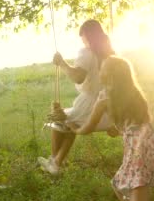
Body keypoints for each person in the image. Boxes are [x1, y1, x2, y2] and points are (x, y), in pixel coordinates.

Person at [68, 56, 154, 201]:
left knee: (135, 191)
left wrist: (75, 129)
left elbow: (88, 127)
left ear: (109, 75)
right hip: (151, 143)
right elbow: (138, 121)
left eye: (102, 69)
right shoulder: (134, 93)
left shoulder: (104, 98)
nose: (99, 71)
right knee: (119, 185)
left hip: (137, 148)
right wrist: (117, 130)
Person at [37, 19, 115, 175]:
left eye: (83, 37)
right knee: (67, 118)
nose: (82, 41)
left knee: (59, 117)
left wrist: (62, 63)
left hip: (94, 107)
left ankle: (55, 162)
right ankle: (56, 161)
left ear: (87, 35)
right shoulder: (110, 53)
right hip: (111, 108)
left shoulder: (87, 53)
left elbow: (78, 77)